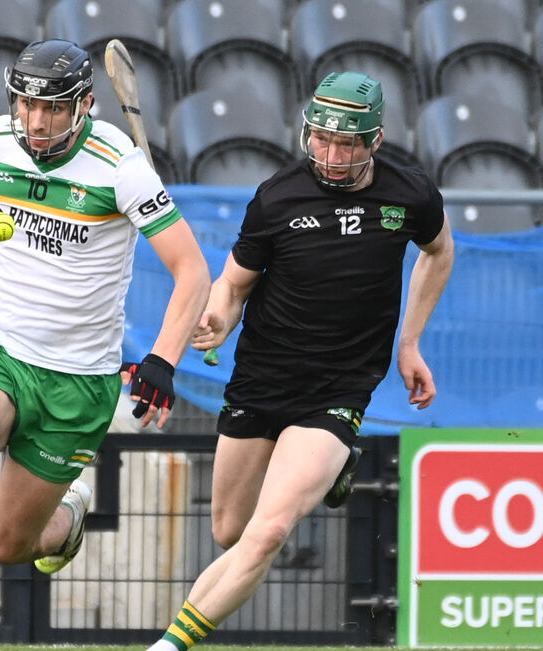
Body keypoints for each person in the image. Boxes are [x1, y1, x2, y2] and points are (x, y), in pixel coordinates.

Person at [0, 39, 210, 651]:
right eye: (26, 104)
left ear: (84, 105)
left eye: (53, 108)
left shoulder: (122, 168)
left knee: (11, 545)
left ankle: (72, 513)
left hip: (78, 382)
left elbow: (191, 271)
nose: (35, 121)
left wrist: (163, 360)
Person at [146, 71, 454, 651]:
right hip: (262, 379)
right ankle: (333, 467)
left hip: (339, 387)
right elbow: (233, 287)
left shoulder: (410, 195)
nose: (332, 156)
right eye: (322, 140)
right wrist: (215, 319)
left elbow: (439, 252)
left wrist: (409, 343)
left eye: (347, 144)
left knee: (268, 533)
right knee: (232, 532)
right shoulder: (277, 197)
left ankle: (168, 646)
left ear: (376, 141)